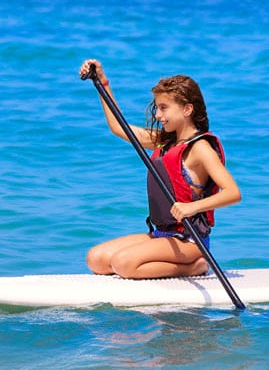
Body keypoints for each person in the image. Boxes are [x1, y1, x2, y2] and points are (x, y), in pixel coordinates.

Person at [78, 59, 241, 279]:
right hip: (162, 234)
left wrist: (191, 208)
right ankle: (172, 262)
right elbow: (119, 127)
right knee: (95, 259)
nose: (157, 115)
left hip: (189, 241)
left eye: (164, 108)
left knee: (123, 264)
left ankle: (195, 267)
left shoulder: (200, 148)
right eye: (157, 108)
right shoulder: (164, 142)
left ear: (187, 109)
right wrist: (102, 83)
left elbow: (233, 193)